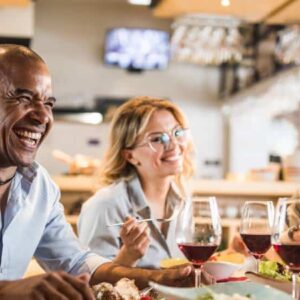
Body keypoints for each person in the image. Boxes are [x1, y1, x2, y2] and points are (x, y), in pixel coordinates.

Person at [0, 44, 197, 300]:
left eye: (48, 103)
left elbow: (76, 262)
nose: (42, 116)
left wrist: (157, 278)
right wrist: (8, 290)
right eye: (23, 98)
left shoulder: (40, 188)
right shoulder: (106, 202)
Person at [78, 96, 195, 269]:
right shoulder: (105, 206)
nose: (174, 145)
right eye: (157, 139)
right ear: (130, 155)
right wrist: (128, 256)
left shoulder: (182, 202)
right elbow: (91, 284)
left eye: (177, 133)